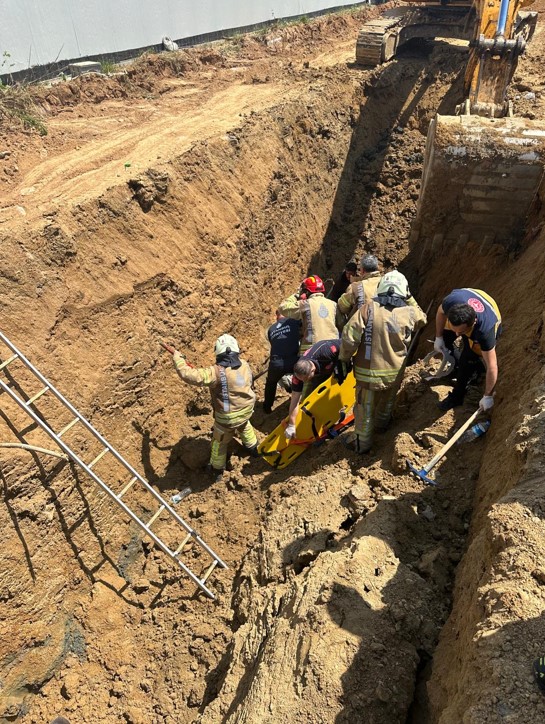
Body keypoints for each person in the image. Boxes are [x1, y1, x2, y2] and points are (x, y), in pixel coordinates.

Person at [338, 271, 427, 453]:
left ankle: (362, 444)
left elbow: (349, 338)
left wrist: (344, 358)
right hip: (395, 371)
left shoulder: (368, 309)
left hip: (368, 373)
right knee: (387, 403)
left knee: (365, 409)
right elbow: (422, 318)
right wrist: (409, 298)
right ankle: (382, 426)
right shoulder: (409, 313)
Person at [168, 334, 258, 482]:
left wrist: (178, 359)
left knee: (218, 443)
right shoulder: (244, 364)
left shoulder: (215, 372)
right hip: (247, 410)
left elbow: (188, 375)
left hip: (227, 419)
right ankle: (254, 448)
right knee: (244, 425)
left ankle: (217, 470)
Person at [433, 288, 501, 412]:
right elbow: (440, 312)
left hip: (490, 313)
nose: (457, 335)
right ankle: (456, 365)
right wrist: (439, 337)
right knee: (445, 336)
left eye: (462, 332)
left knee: (468, 359)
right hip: (469, 294)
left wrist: (488, 396)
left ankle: (458, 395)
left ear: (473, 322)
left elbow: (492, 366)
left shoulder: (484, 332)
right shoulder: (451, 303)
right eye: (456, 330)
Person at [284, 339, 341, 439]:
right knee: (310, 399)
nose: (304, 381)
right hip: (322, 372)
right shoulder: (298, 375)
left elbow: (348, 346)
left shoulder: (327, 350)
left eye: (306, 379)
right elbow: (295, 400)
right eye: (302, 380)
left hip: (335, 362)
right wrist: (291, 425)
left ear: (312, 370)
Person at [279, 275, 338, 352]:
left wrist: (297, 294)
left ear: (306, 291)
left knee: (302, 364)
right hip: (332, 349)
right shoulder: (333, 304)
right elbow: (341, 325)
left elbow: (283, 308)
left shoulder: (305, 304)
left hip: (311, 353)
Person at [263, 310, 301, 414]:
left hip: (276, 363)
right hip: (293, 360)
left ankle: (267, 407)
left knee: (271, 382)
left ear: (276, 317)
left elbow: (275, 343)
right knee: (303, 375)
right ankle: (302, 399)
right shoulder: (293, 322)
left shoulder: (271, 329)